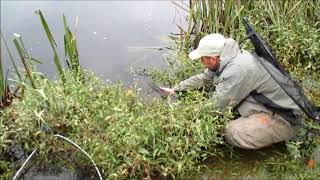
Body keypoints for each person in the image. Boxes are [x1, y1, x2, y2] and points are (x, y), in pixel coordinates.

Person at [160, 33, 304, 149]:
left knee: (232, 131)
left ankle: (280, 140)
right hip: (273, 105)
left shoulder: (237, 70)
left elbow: (215, 107)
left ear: (212, 59)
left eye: (202, 59)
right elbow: (205, 78)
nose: (201, 63)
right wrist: (175, 90)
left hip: (286, 119)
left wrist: (184, 122)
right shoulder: (231, 57)